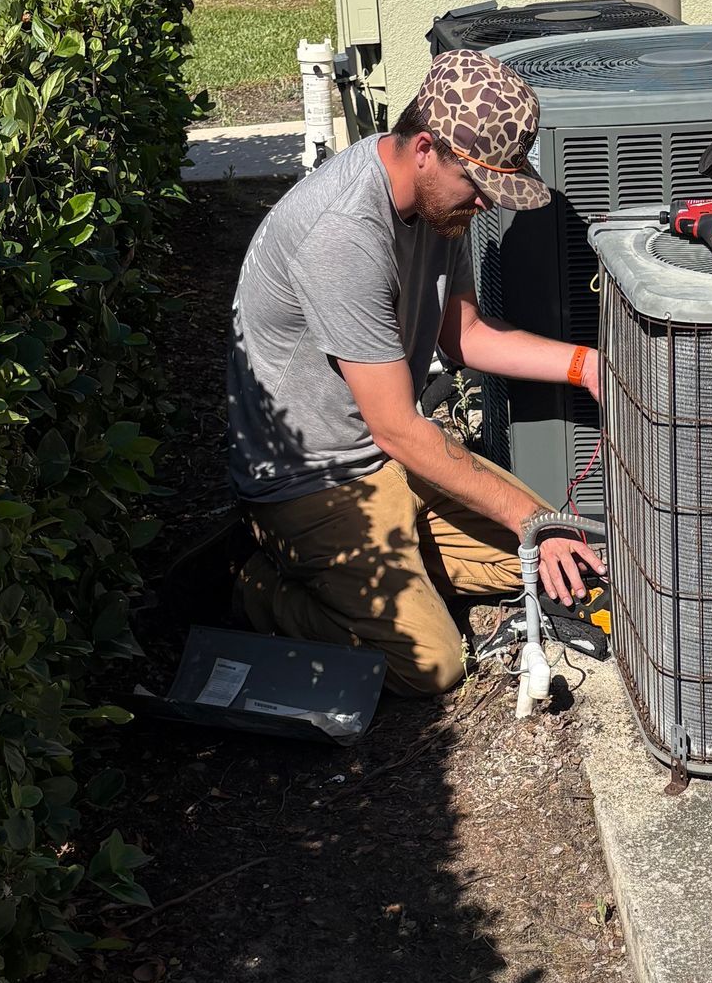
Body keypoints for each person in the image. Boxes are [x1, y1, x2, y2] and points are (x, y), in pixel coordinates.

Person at [228, 47, 606, 695]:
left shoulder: (438, 206)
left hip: (391, 456)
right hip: (317, 482)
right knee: (432, 664)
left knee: (571, 557)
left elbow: (465, 335)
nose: (487, 204)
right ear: (425, 147)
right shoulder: (343, 233)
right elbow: (400, 430)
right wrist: (525, 518)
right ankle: (251, 582)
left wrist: (588, 365)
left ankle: (407, 568)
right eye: (480, 185)